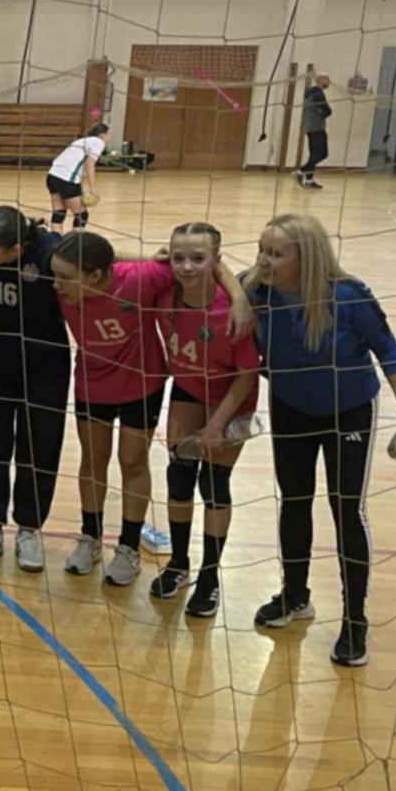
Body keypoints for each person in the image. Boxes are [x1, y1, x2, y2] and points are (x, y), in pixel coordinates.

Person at [245, 213, 396, 667]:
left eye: (276, 253)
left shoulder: (349, 295)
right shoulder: (256, 291)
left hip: (350, 410)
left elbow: (390, 353)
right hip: (290, 406)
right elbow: (205, 275)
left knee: (346, 508)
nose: (264, 260)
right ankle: (294, 596)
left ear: (306, 258)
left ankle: (354, 619)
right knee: (294, 500)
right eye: (261, 250)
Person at [49, 231, 251, 587]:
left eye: (65, 277)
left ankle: (128, 547)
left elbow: (204, 264)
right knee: (93, 461)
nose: (56, 284)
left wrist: (238, 298)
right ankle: (90, 537)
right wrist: (136, 253)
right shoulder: (63, 286)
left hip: (142, 384)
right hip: (92, 384)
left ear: (95, 275)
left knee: (133, 461)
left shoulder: (140, 280)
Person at [151, 222, 261, 618]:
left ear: (217, 261)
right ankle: (178, 563)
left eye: (198, 259)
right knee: (179, 477)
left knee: (214, 484)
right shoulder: (165, 293)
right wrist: (156, 258)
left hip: (232, 396)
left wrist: (217, 425)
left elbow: (248, 374)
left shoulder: (231, 310)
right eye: (178, 257)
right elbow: (110, 259)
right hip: (188, 389)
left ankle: (210, 576)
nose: (186, 267)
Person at [0, 206, 70, 573]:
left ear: (16, 249)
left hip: (45, 362)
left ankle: (29, 528)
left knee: (41, 445)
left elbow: (103, 255)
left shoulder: (50, 251)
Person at [47, 123, 107, 231]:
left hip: (52, 176)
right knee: (81, 216)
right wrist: (93, 189)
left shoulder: (81, 141)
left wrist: (81, 190)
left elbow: (80, 169)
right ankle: (74, 241)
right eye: (109, 134)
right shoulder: (98, 142)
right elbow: (90, 164)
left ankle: (56, 241)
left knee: (59, 213)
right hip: (66, 179)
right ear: (103, 135)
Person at [298, 75, 331, 190]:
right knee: (322, 153)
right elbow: (327, 111)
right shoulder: (317, 94)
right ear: (321, 81)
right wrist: (325, 112)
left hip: (309, 127)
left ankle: (309, 180)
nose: (329, 82)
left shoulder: (309, 93)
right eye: (327, 79)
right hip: (317, 128)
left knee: (313, 155)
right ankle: (301, 171)